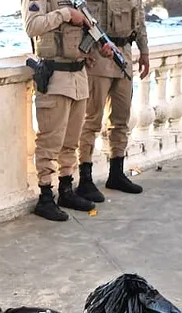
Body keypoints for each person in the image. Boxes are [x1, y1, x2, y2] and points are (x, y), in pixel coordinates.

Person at [22, 0, 115, 222]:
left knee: (71, 141)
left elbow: (83, 31)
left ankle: (66, 190)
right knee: (49, 142)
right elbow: (32, 26)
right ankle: (45, 197)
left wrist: (100, 48)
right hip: (55, 78)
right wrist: (65, 14)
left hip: (78, 77)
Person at [76, 0, 150, 202]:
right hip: (98, 55)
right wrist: (83, 53)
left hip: (124, 54)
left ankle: (116, 173)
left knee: (121, 119)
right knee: (91, 120)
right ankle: (85, 179)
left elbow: (139, 18)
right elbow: (80, 19)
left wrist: (144, 51)